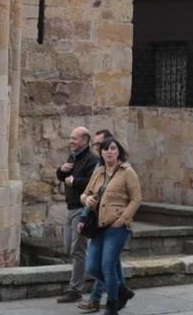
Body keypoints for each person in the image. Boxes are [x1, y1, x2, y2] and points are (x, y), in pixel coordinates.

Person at [82, 137, 142, 315]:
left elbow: (136, 198)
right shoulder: (99, 172)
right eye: (105, 149)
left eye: (113, 148)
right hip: (98, 226)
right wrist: (88, 200)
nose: (109, 151)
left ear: (119, 152)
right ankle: (122, 290)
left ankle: (112, 306)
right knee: (92, 266)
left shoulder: (127, 172)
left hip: (117, 227)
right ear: (101, 153)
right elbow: (85, 194)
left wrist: (123, 219)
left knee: (108, 266)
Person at [55, 126, 98, 303]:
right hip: (70, 207)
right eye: (71, 138)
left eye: (75, 138)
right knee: (68, 247)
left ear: (85, 141)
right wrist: (62, 171)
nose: (71, 141)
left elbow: (92, 183)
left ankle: (75, 290)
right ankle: (88, 279)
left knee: (78, 250)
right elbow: (62, 177)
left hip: (82, 209)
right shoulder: (73, 156)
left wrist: (74, 181)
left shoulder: (92, 160)